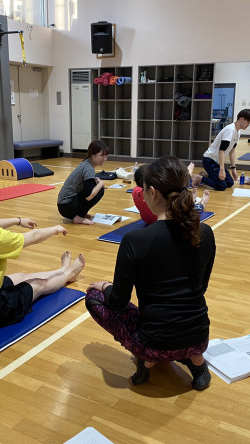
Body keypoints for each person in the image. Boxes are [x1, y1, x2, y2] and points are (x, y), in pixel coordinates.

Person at [85, 156, 216, 391]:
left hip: (155, 342)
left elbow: (118, 301)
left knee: (93, 297)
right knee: (180, 324)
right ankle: (197, 362)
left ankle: (148, 362)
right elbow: (201, 287)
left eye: (143, 190)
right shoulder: (205, 232)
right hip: (199, 336)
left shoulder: (135, 240)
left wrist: (104, 286)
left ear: (153, 192)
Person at [0, 169, 85, 330]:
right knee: (39, 285)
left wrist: (17, 221)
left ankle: (61, 269)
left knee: (22, 276)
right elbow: (32, 237)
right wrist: (55, 229)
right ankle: (69, 274)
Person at [133, 163, 210, 225]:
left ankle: (191, 199)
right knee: (186, 207)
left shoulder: (135, 191)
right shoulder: (155, 191)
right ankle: (201, 204)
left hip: (147, 220)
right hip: (162, 219)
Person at [199, 108, 250, 191]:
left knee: (230, 183)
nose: (248, 125)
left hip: (217, 162)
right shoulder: (230, 130)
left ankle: (206, 175)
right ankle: (200, 178)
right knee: (221, 186)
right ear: (241, 119)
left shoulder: (238, 132)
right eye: (248, 122)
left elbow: (232, 152)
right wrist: (222, 170)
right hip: (209, 160)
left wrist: (233, 169)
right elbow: (221, 150)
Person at [57, 140, 109, 225]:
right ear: (92, 155)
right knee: (100, 190)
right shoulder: (88, 168)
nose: (105, 159)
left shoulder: (86, 164)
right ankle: (79, 217)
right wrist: (101, 183)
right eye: (101, 156)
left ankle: (82, 214)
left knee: (96, 186)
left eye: (106, 156)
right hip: (66, 206)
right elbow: (89, 196)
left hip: (64, 205)